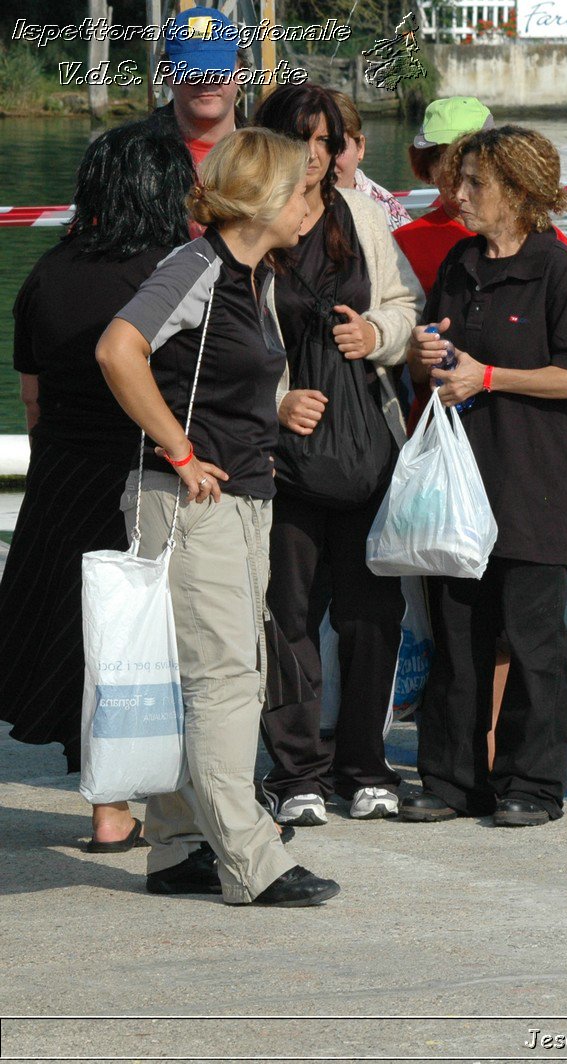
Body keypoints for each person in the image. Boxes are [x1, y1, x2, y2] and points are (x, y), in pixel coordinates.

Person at [96, 127, 340, 905]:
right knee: (225, 680)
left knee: (192, 676)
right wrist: (176, 450)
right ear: (267, 197)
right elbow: (117, 349)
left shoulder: (250, 274)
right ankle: (250, 858)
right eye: (303, 190)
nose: (313, 204)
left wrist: (268, 409)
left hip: (238, 500)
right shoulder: (198, 265)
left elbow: (215, 379)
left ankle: (177, 847)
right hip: (193, 503)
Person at [398, 125, 567, 828]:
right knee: (458, 640)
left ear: (518, 191)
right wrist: (427, 354)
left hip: (535, 484)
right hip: (460, 485)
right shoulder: (459, 261)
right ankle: (454, 782)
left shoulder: (558, 269)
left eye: (474, 183)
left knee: (533, 642)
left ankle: (533, 784)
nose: (457, 195)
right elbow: (433, 353)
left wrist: (489, 376)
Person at [0, 121, 194, 851]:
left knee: (89, 644)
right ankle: (178, 804)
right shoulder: (171, 272)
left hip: (61, 480)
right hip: (147, 477)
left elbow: (33, 398)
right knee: (157, 645)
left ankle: (110, 814)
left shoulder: (47, 271)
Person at [249, 84, 422, 827]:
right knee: (287, 617)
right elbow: (219, 340)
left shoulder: (365, 219)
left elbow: (407, 305)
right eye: (300, 140)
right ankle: (295, 771)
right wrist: (277, 400)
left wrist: (376, 334)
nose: (314, 157)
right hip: (282, 456)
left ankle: (364, 763)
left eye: (326, 142)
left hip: (365, 445)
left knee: (371, 616)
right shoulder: (248, 226)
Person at [392, 97, 500, 298]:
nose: (454, 168)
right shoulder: (402, 245)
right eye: (441, 156)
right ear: (427, 168)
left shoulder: (532, 236)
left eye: (466, 154)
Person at [151, 6, 244, 168]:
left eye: (217, 71)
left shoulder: (273, 161)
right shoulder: (122, 161)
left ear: (240, 72)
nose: (205, 81)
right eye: (193, 73)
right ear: (168, 73)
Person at [330, 89, 411, 231]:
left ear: (360, 147)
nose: (326, 160)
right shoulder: (287, 209)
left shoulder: (388, 212)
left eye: (337, 147)